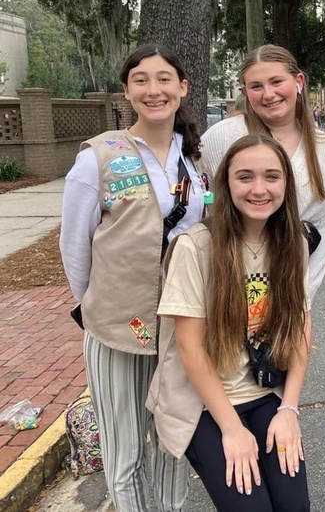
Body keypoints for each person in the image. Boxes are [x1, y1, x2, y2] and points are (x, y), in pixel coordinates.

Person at [59, 44, 202, 511]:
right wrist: (91, 305)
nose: (153, 89)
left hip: (179, 328)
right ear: (127, 91)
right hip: (117, 328)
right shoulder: (98, 156)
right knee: (124, 452)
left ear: (182, 88)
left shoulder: (192, 159)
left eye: (164, 79)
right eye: (141, 79)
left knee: (171, 440)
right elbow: (74, 244)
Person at [147, 134, 311, 511]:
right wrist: (232, 430)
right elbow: (190, 348)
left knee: (293, 506)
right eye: (245, 177)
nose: (259, 189)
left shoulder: (293, 242)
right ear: (226, 184)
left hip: (264, 391)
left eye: (271, 176)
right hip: (204, 403)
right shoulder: (197, 247)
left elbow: (300, 327)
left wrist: (289, 409)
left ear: (286, 182)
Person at [201, 45, 325, 299]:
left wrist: (303, 295)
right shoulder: (222, 137)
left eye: (277, 82)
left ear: (298, 81)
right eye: (256, 86)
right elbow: (201, 198)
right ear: (245, 92)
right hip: (227, 284)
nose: (268, 94)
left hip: (290, 287)